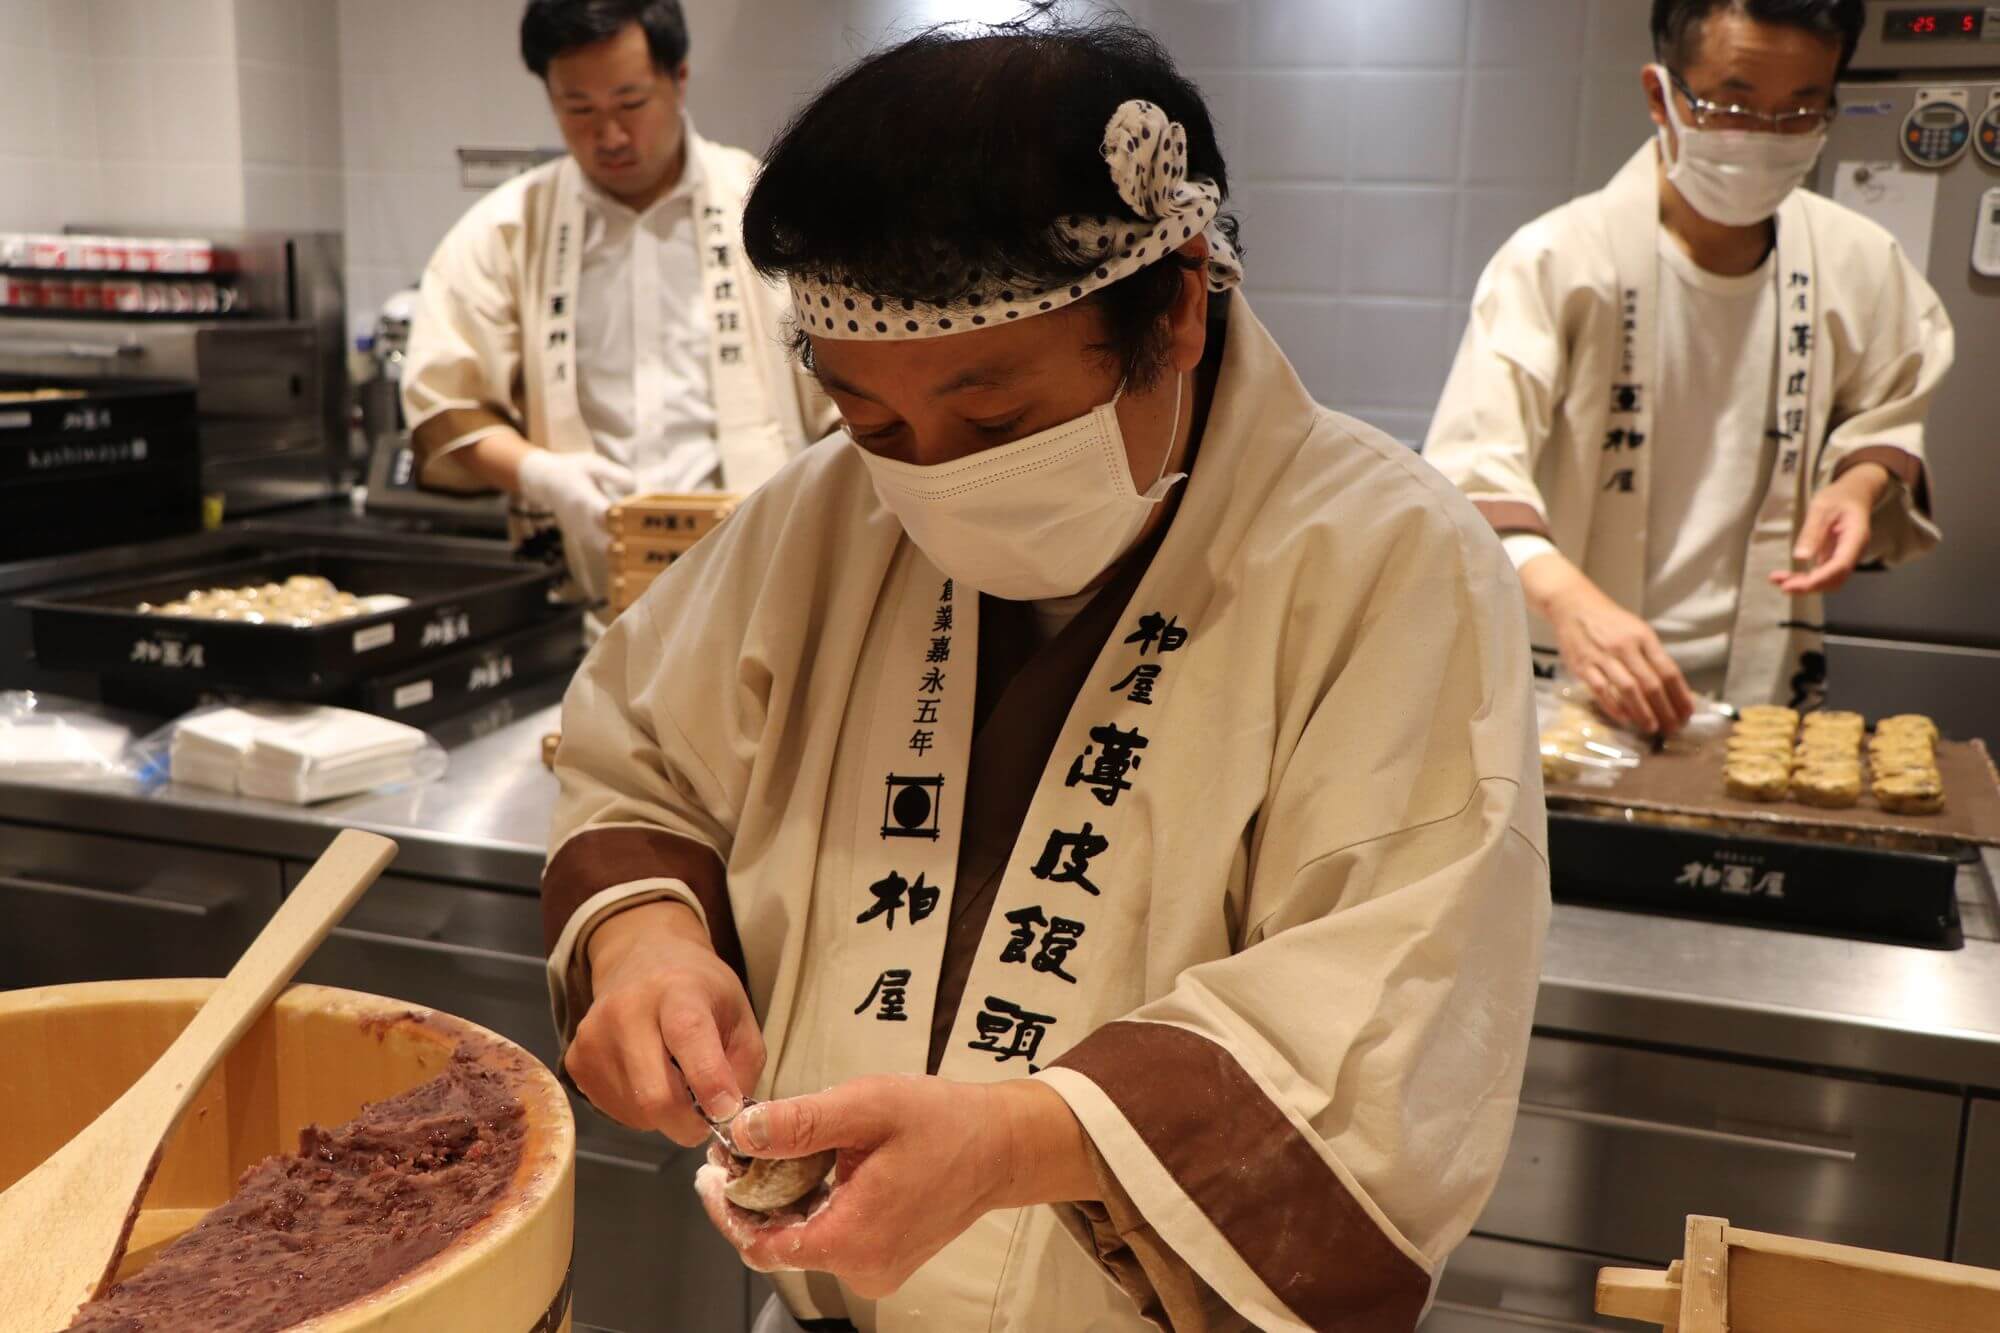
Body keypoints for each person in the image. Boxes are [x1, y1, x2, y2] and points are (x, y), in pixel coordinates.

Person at [542, 21, 1549, 1333]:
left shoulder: (1391, 564)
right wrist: (647, 943)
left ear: (1178, 304)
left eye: (997, 418)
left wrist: (1016, 1141)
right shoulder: (823, 516)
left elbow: (1388, 1009)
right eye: (874, 420)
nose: (932, 474)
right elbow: (640, 753)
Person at [1426, 0, 1951, 734]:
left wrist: (1859, 485)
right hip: (1573, 680)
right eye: (1733, 103)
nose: (1765, 138)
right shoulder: (1556, 261)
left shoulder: (1858, 261)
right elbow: (1470, 474)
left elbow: (1894, 397)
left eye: (1800, 111)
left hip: (1763, 684)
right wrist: (1574, 605)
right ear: (1660, 95)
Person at [402, 0, 834, 619]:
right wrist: (540, 475)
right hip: (588, 592)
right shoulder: (504, 231)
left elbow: (852, 399)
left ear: (678, 78)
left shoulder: (765, 213)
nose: (609, 136)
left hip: (765, 582)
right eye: (579, 110)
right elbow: (445, 405)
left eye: (631, 104)